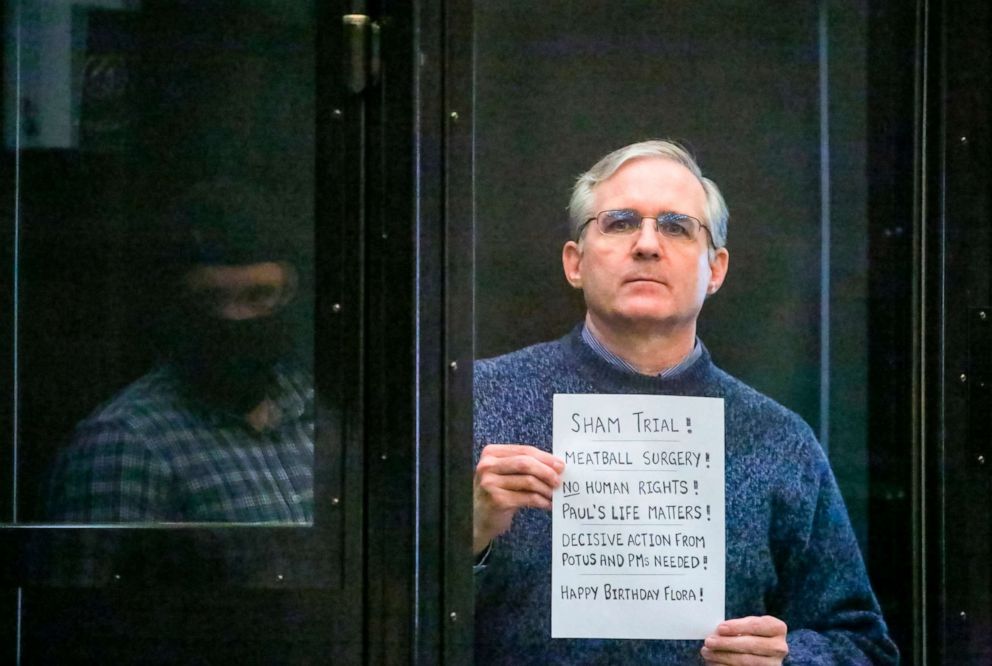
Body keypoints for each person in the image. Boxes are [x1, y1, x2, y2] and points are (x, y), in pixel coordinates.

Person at [473, 140, 898, 664]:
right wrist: (466, 536)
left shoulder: (778, 438)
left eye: (676, 226)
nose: (648, 244)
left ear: (716, 269)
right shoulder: (475, 402)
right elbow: (372, 608)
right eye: (620, 222)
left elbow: (862, 643)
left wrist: (791, 660)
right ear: (575, 262)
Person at [46, 182, 314, 523]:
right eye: (211, 299)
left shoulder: (314, 415)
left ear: (289, 295)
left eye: (260, 295)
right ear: (178, 304)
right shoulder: (125, 446)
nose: (236, 318)